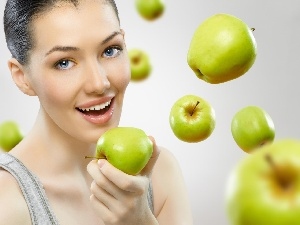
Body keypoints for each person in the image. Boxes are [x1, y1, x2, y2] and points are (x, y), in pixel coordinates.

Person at [0, 0, 193, 224]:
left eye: (110, 50)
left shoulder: (160, 174)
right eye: (64, 63)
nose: (99, 83)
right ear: (22, 77)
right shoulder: (7, 202)